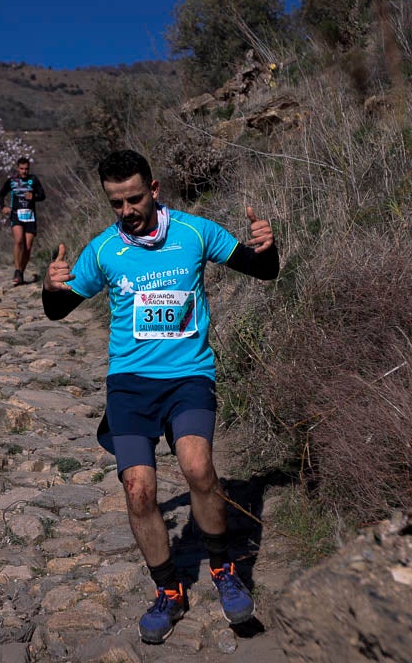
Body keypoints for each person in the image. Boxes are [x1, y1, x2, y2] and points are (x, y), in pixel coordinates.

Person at [41, 149, 279, 644]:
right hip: (129, 384)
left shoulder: (194, 232)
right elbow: (58, 310)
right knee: (139, 490)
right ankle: (168, 590)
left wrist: (265, 247)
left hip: (189, 375)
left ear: (154, 188)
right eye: (115, 203)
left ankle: (222, 569)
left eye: (133, 198)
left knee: (197, 468)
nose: (126, 210)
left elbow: (262, 271)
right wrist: (50, 287)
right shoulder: (105, 250)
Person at [0, 157, 47, 286]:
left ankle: (21, 273)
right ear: (17, 168)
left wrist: (33, 197)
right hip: (16, 215)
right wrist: (4, 207)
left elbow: (42, 196)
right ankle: (17, 270)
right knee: (18, 240)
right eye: (21, 168)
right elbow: (1, 195)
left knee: (28, 247)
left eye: (26, 169)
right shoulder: (12, 181)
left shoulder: (33, 180)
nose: (24, 171)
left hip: (30, 216)